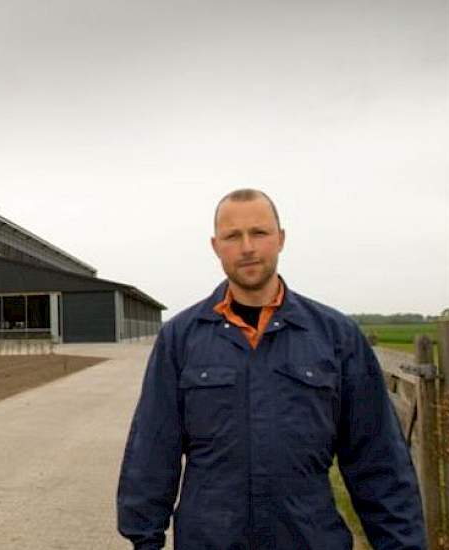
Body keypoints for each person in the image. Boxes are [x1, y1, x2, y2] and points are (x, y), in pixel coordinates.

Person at [116, 189, 426, 549]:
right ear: (216, 246)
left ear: (280, 239)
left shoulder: (335, 336)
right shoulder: (181, 338)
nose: (247, 247)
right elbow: (152, 450)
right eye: (233, 236)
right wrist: (144, 539)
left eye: (259, 233)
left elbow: (378, 458)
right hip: (210, 540)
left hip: (310, 539)